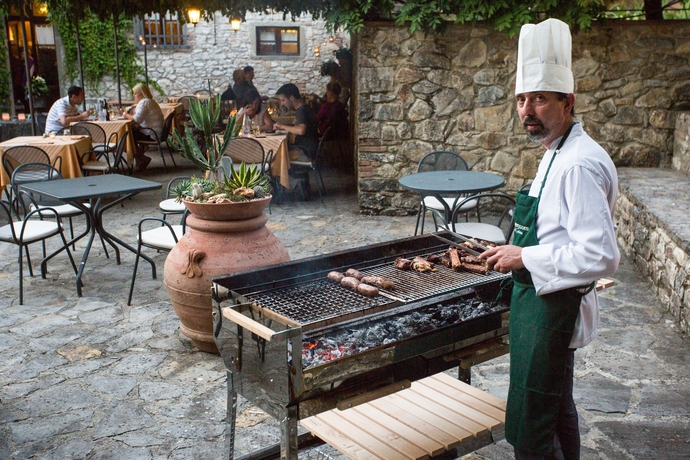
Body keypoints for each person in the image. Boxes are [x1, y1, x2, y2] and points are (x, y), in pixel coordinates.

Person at [479, 19, 620, 460]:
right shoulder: (555, 151)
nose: (527, 110)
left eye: (539, 98)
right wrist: (515, 253)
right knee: (555, 407)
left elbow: (601, 256)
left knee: (540, 421)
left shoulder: (577, 163)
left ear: (567, 101)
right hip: (538, 303)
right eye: (522, 99)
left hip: (554, 309)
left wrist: (524, 256)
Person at [118, 83, 164, 171]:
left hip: (152, 134)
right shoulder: (150, 101)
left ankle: (141, 158)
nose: (133, 95)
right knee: (130, 132)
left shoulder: (144, 102)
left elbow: (136, 119)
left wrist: (123, 113)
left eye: (135, 93)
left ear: (142, 94)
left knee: (125, 135)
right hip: (156, 131)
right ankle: (140, 157)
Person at [274, 83, 318, 161]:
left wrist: (282, 126)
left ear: (291, 98)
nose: (282, 103)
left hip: (305, 152)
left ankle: (283, 173)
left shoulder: (301, 111)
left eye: (283, 100)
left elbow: (301, 130)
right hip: (311, 149)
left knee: (275, 156)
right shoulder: (305, 108)